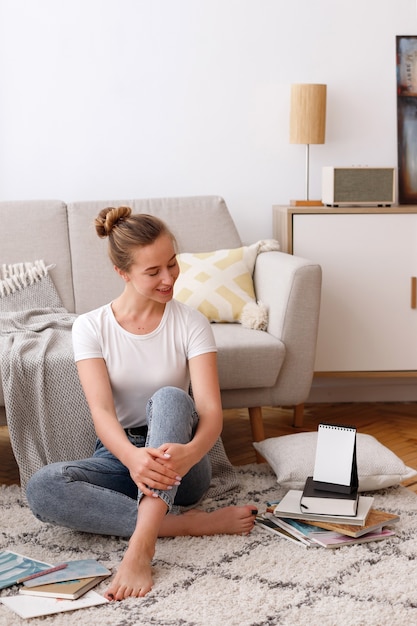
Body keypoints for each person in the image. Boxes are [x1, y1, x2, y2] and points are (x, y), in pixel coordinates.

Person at [26, 206, 257, 601]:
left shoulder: (191, 323)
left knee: (170, 396)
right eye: (153, 272)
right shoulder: (90, 326)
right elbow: (100, 412)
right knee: (42, 487)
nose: (168, 279)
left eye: (172, 264)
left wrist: (188, 453)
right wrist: (134, 460)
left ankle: (141, 546)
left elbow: (211, 412)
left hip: (184, 461)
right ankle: (187, 525)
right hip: (122, 456)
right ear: (123, 273)